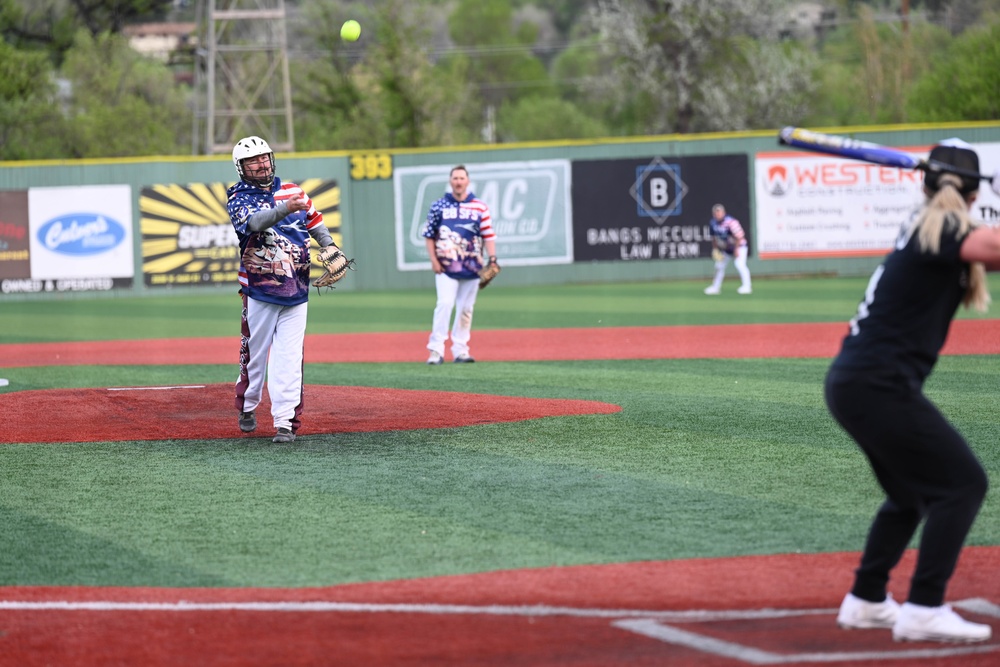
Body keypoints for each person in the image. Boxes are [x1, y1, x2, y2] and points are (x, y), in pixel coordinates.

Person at [827, 139, 995, 644]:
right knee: (963, 485)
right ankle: (924, 606)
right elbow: (990, 248)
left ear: (926, 185)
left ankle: (866, 599)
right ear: (973, 195)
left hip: (856, 382)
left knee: (909, 495)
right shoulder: (942, 228)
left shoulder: (927, 226)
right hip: (877, 383)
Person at [228, 135, 338, 443]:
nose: (261, 164)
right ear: (241, 167)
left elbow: (314, 220)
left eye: (264, 157)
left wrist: (329, 245)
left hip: (297, 289)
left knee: (289, 358)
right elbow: (255, 223)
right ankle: (247, 406)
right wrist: (285, 208)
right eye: (253, 161)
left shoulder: (293, 189)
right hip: (259, 291)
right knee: (255, 357)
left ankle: (286, 422)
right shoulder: (239, 197)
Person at [421, 165, 496, 364]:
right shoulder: (439, 206)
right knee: (444, 304)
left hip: (472, 268)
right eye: (455, 178)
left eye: (462, 178)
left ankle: (460, 350)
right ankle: (436, 351)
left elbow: (488, 235)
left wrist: (493, 259)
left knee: (466, 309)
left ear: (467, 181)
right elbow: (429, 235)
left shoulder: (480, 207)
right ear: (450, 181)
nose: (458, 181)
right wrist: (434, 260)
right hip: (446, 267)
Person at [704, 204, 752, 295]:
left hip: (740, 246)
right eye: (716, 213)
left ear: (723, 213)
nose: (718, 214)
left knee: (739, 264)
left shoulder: (731, 222)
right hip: (727, 248)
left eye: (719, 212)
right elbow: (713, 238)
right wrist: (715, 249)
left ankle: (747, 286)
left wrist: (736, 249)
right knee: (719, 266)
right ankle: (715, 288)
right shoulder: (713, 223)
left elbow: (740, 236)